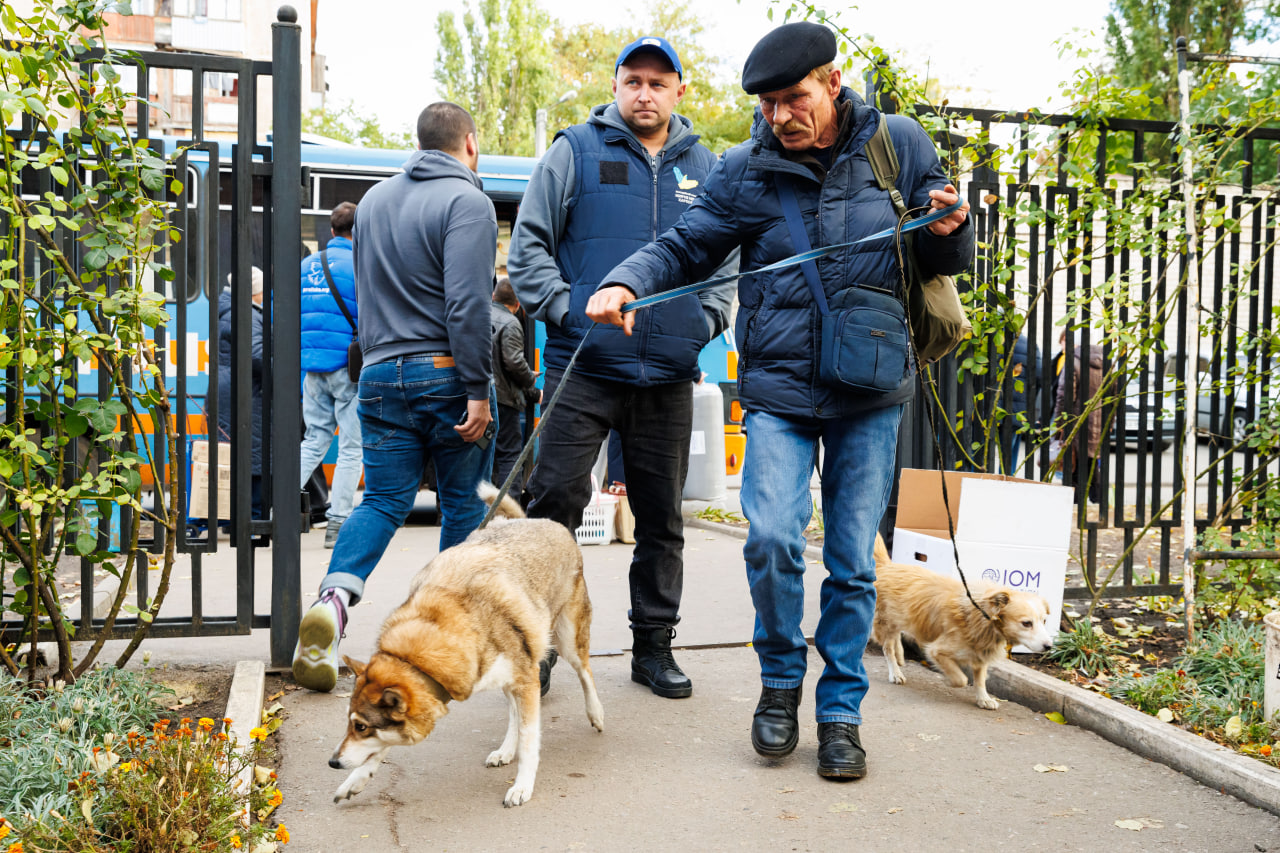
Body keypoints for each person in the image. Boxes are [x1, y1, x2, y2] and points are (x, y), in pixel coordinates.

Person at [586, 22, 972, 778]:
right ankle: (778, 684)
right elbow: (685, 245)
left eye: (792, 98)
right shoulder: (744, 170)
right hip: (781, 392)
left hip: (869, 389)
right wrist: (627, 278)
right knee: (768, 538)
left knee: (855, 561)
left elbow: (942, 253)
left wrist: (954, 229)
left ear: (832, 83)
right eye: (767, 104)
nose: (779, 116)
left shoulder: (897, 144)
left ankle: (840, 713)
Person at [508, 35, 736, 700]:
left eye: (657, 83)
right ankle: (542, 643)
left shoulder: (709, 168)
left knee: (662, 517)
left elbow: (726, 262)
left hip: (667, 374)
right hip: (582, 369)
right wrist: (569, 313)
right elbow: (529, 249)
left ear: (679, 93)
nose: (644, 93)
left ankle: (653, 648)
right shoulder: (574, 151)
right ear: (615, 86)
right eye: (633, 80)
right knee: (553, 509)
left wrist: (704, 321)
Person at [292, 102, 498, 693]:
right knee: (461, 500)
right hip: (443, 371)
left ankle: (332, 602)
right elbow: (466, 305)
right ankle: (445, 632)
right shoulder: (469, 202)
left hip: (378, 376)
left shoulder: (375, 202)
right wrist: (478, 391)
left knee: (381, 501)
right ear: (470, 144)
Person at [298, 201, 362, 548]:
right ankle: (337, 523)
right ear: (358, 231)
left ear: (332, 231)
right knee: (351, 447)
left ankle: (280, 506)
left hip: (311, 368)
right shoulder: (359, 265)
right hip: (347, 368)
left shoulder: (306, 265)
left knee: (315, 439)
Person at [216, 265, 265, 519]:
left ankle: (240, 517)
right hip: (246, 394)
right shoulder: (242, 314)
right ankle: (250, 519)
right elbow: (257, 355)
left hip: (238, 391)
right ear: (253, 292)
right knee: (250, 455)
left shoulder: (234, 310)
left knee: (241, 453)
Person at [490, 276, 539, 493]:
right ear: (518, 303)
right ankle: (508, 513)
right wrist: (530, 378)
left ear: (493, 296)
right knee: (510, 455)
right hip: (504, 401)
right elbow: (514, 362)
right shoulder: (510, 322)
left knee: (485, 456)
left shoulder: (478, 316)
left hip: (479, 396)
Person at [1051, 331, 1105, 503]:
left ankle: (1075, 507)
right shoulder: (1106, 362)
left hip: (1076, 424)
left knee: (1072, 469)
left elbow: (1064, 397)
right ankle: (1100, 507)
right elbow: (1114, 396)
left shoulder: (1072, 362)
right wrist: (1109, 424)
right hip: (1098, 426)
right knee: (1091, 467)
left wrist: (1059, 425)